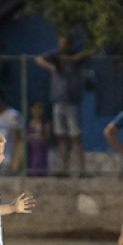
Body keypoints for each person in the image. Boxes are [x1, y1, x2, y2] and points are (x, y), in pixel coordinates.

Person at [36, 36, 90, 177]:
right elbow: (39, 59)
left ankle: (82, 169)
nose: (62, 46)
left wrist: (72, 59)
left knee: (75, 136)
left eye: (65, 43)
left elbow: (89, 52)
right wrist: (52, 67)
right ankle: (64, 168)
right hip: (58, 100)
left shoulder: (76, 57)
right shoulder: (55, 55)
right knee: (61, 136)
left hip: (72, 101)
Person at [26, 101, 50, 176]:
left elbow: (46, 142)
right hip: (31, 156)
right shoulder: (28, 124)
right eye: (37, 108)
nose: (39, 111)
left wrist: (42, 130)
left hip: (41, 155)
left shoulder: (45, 124)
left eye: (41, 108)